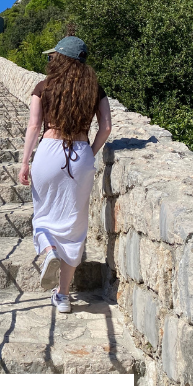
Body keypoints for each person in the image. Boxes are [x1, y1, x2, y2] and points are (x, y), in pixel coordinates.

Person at [17, 35, 113, 315]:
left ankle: (49, 251)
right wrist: (90, 153)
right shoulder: (94, 88)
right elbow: (106, 127)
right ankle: (62, 296)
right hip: (80, 153)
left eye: (52, 56)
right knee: (74, 226)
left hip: (48, 152)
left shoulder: (43, 86)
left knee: (43, 215)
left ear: (59, 58)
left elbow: (34, 127)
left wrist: (25, 163)